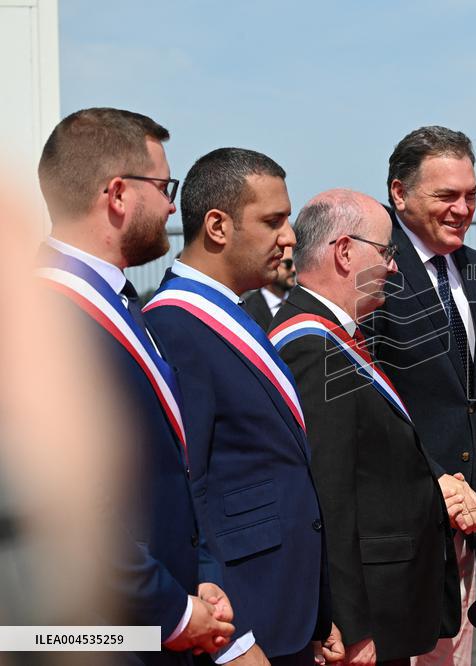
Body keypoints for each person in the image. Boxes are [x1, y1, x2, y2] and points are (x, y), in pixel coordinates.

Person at [35, 107, 236, 662]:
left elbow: (173, 463)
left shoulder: (121, 303)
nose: (174, 204)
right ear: (118, 194)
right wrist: (171, 611)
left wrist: (202, 578)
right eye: (164, 185)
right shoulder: (40, 317)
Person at [143, 148, 338, 665]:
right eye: (273, 220)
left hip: (286, 607)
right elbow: (189, 493)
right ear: (218, 226)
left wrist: (318, 610)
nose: (290, 236)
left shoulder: (235, 312)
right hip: (242, 618)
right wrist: (233, 640)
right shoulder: (174, 325)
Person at [268, 189, 462, 665]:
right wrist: (352, 626)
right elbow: (327, 496)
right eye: (387, 252)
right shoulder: (311, 346)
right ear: (345, 251)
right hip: (365, 624)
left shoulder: (337, 338)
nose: (394, 268)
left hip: (387, 607)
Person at [364, 125, 476, 665]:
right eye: (446, 196)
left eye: (472, 195)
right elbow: (366, 406)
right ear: (399, 193)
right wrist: (438, 484)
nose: (463, 208)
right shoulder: (371, 276)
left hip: (470, 536)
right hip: (402, 537)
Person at [243, 246, 296, 329]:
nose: (294, 269)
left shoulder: (304, 301)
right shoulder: (247, 310)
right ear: (270, 266)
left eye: (295, 263)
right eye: (288, 264)